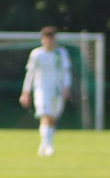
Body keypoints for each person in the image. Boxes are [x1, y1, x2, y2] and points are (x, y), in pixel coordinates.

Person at [19, 26, 72, 156]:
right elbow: (30, 74)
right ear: (43, 40)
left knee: (52, 119)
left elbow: (66, 72)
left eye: (51, 39)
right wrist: (26, 92)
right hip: (41, 89)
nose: (49, 42)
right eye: (47, 39)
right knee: (45, 115)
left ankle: (44, 145)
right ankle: (49, 147)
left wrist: (66, 87)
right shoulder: (37, 54)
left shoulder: (61, 53)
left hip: (57, 90)